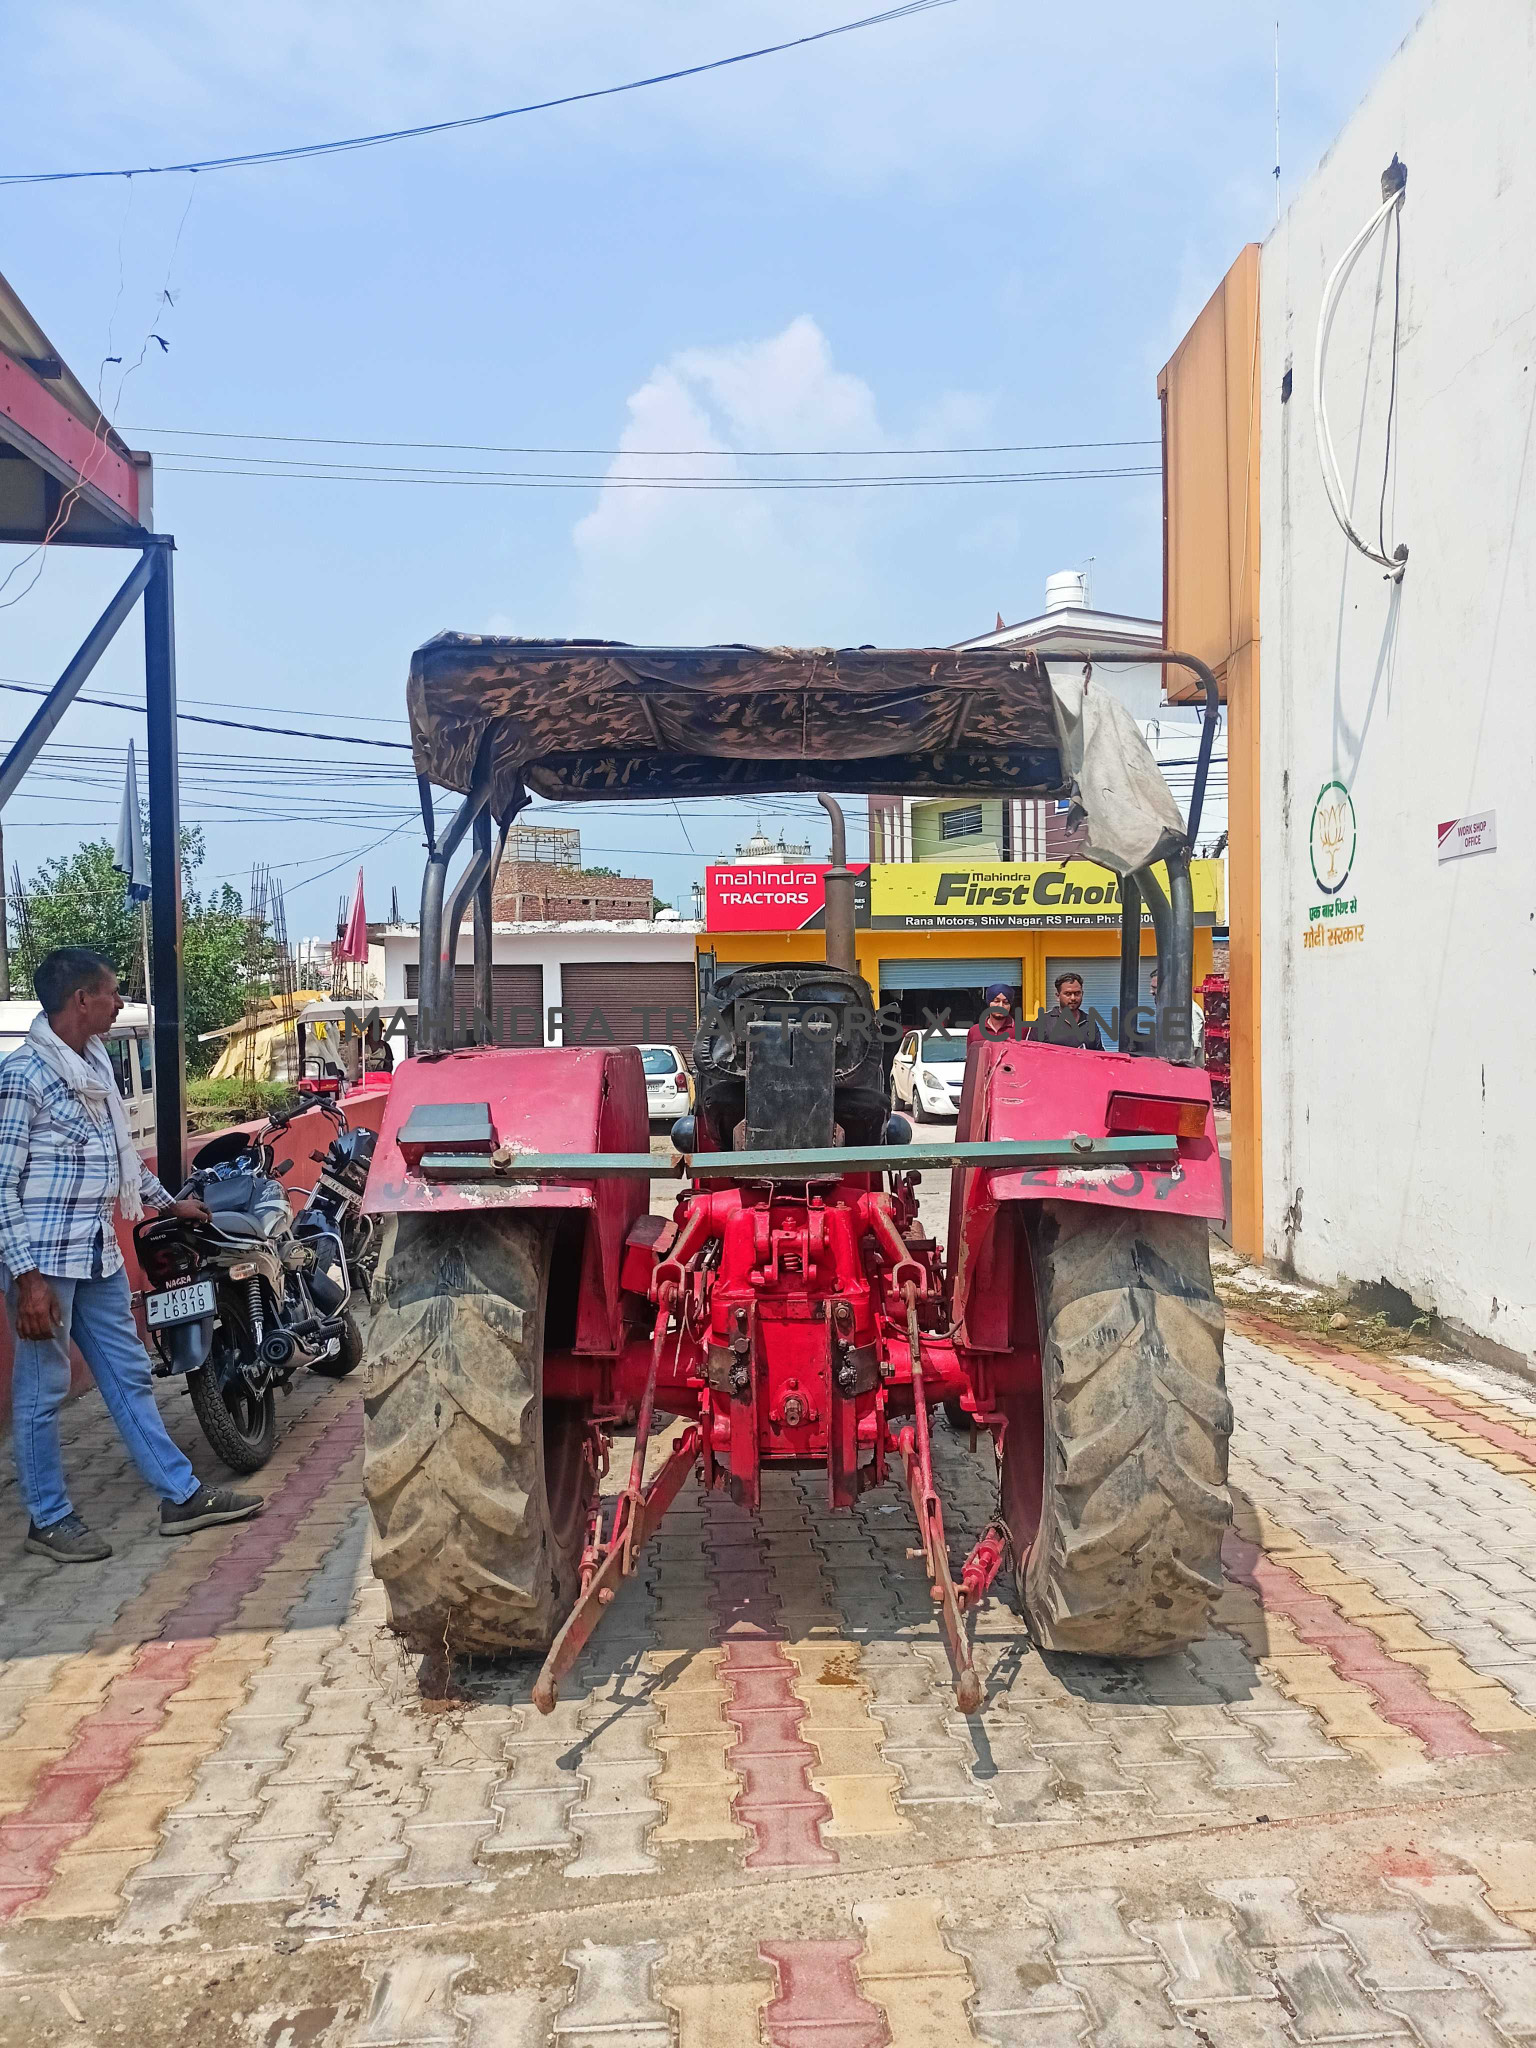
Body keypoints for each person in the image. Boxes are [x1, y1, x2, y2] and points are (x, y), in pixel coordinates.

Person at [0, 949, 263, 1563]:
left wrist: (171, 1205)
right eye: (112, 993)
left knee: (129, 1377)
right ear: (81, 1001)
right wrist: (26, 1278)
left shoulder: (93, 1067)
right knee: (42, 1392)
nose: (119, 1004)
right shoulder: (24, 1076)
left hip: (94, 1252)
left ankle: (180, 1494)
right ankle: (49, 1518)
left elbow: (115, 1158)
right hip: (43, 1261)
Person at [1137, 966, 1205, 1060]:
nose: (1151, 992)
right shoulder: (1168, 1010)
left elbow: (1193, 1047)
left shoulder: (1191, 1010)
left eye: (1154, 988)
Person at [1027, 972, 1104, 1050]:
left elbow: (1099, 1055)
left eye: (1077, 993)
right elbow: (1029, 1054)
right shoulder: (1043, 1022)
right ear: (1058, 996)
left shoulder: (1089, 1022)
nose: (1073, 998)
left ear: (1082, 994)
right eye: (1068, 994)